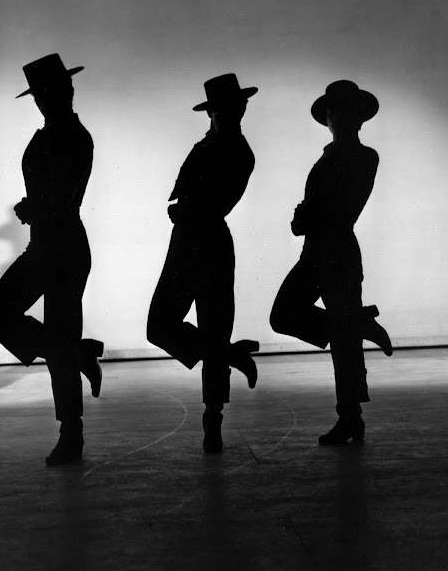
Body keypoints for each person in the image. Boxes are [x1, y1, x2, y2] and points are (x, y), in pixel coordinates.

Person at [0, 53, 103, 466]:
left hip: (65, 249)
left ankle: (72, 433)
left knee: (59, 338)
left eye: (50, 91)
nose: (43, 100)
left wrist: (33, 207)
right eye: (38, 95)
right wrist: (32, 206)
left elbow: (63, 197)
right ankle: (76, 353)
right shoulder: (49, 133)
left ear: (67, 90)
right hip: (42, 248)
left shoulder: (75, 136)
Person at [269, 80, 393, 446]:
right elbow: (318, 207)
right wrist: (304, 217)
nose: (336, 117)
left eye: (342, 111)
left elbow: (337, 206)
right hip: (315, 253)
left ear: (357, 117)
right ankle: (357, 324)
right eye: (332, 112)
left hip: (337, 253)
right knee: (285, 315)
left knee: (342, 343)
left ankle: (351, 419)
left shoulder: (364, 156)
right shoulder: (327, 158)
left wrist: (307, 215)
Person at [147, 73, 261, 454]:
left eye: (237, 107)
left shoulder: (241, 153)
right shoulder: (205, 146)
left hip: (210, 245)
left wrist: (185, 212)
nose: (234, 113)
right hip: (185, 244)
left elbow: (217, 204)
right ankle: (228, 354)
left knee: (213, 327)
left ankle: (213, 423)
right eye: (225, 108)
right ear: (212, 111)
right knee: (159, 326)